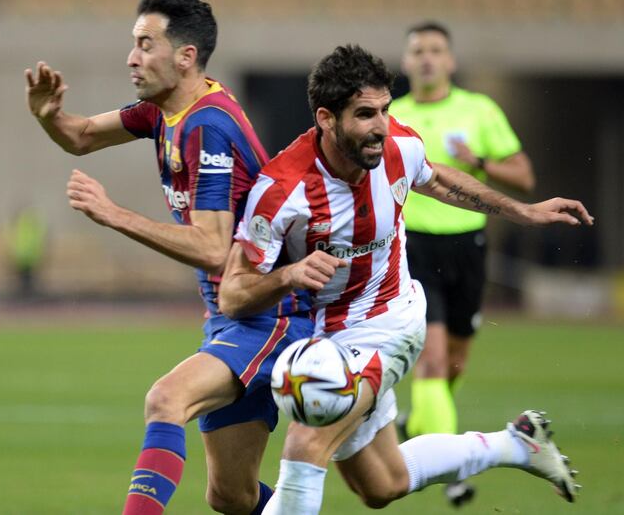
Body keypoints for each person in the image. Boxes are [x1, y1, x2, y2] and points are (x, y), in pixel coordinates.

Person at [218, 44, 590, 514]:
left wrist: (523, 211)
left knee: (305, 441)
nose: (380, 126)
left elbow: (435, 178)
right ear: (326, 118)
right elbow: (233, 295)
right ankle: (516, 445)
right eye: (365, 114)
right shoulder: (282, 190)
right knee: (382, 484)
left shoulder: (397, 146)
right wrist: (289, 274)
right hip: (328, 334)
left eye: (386, 110)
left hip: (390, 323)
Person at [25, 0, 311, 514]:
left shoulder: (209, 127)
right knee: (231, 495)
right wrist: (49, 115)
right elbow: (83, 135)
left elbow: (212, 247)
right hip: (231, 314)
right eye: (133, 44)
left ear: (185, 57)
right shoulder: (165, 111)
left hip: (269, 312)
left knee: (165, 399)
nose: (132, 58)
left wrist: (115, 215)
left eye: (144, 44)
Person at [389, 21, 537, 506]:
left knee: (453, 362)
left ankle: (418, 422)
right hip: (415, 249)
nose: (427, 58)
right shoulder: (393, 116)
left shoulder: (479, 110)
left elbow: (524, 176)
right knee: (431, 360)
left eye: (436, 50)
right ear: (407, 62)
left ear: (450, 60)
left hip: (468, 247)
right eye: (418, 51)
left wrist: (480, 162)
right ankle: (454, 469)